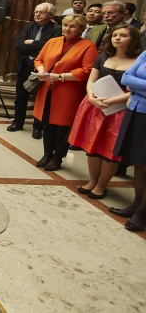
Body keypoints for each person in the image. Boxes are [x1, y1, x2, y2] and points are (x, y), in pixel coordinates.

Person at [69, 25, 142, 199]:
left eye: (123, 35)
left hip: (120, 108)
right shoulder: (103, 57)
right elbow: (91, 79)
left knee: (110, 149)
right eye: (115, 35)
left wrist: (113, 101)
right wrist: (92, 96)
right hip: (96, 103)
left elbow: (136, 89)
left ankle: (102, 185)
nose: (117, 38)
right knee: (92, 144)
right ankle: (92, 181)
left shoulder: (139, 60)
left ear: (133, 39)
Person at [32, 14, 97, 171]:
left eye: (72, 26)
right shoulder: (53, 41)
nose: (67, 28)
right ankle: (47, 153)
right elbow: (39, 59)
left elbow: (87, 70)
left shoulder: (88, 46)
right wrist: (41, 70)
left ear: (81, 29)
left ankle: (57, 157)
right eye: (66, 25)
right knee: (47, 122)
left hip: (68, 92)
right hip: (47, 88)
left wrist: (60, 76)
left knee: (62, 125)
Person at [8, 3, 62, 138]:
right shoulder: (29, 26)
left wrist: (32, 42)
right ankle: (18, 122)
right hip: (25, 66)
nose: (37, 15)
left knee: (41, 98)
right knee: (21, 96)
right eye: (36, 12)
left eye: (41, 12)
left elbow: (51, 48)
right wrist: (39, 46)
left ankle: (38, 127)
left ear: (50, 15)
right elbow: (19, 45)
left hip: (44, 69)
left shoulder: (56, 29)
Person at [110, 48, 146, 231]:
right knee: (138, 162)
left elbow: (132, 81)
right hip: (136, 109)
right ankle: (137, 203)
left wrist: (137, 86)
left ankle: (142, 211)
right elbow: (126, 78)